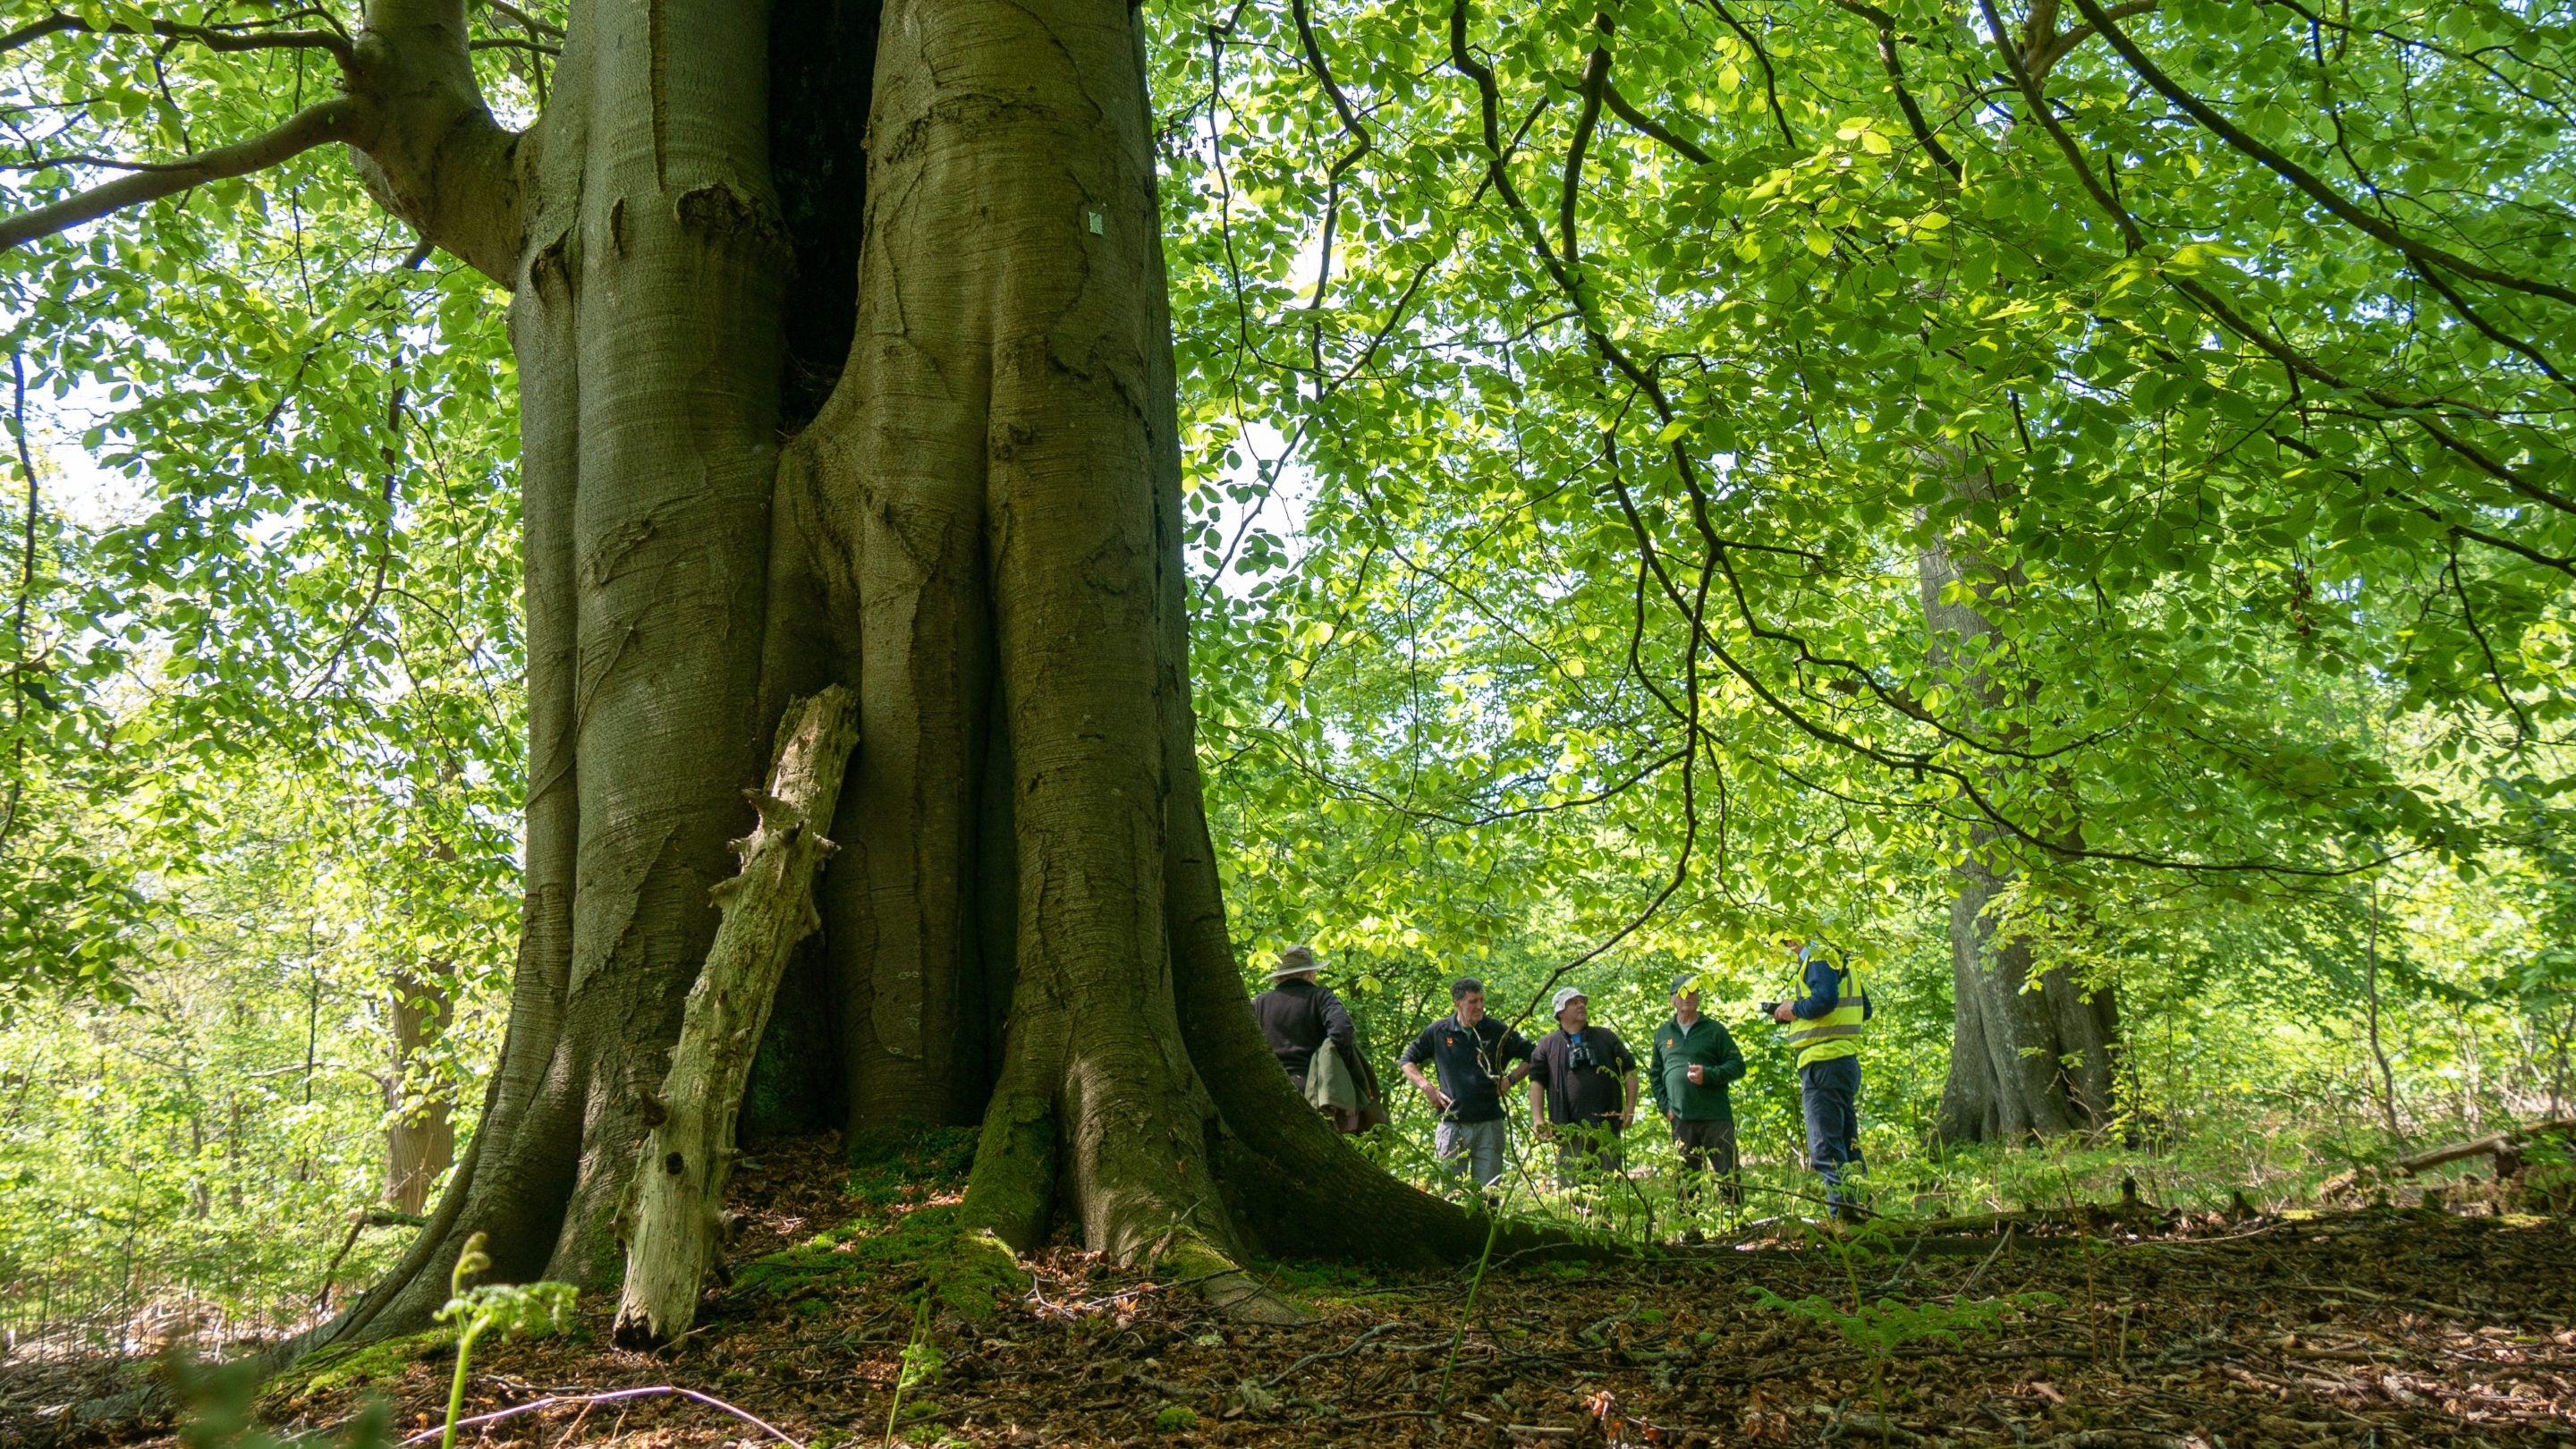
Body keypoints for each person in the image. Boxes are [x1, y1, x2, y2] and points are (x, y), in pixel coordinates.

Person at [1769, 934, 1871, 1217]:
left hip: (1823, 1064)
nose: (1790, 949)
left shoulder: (1818, 957)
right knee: (1848, 1146)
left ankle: (1844, 1220)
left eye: (1788, 943)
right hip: (1843, 1063)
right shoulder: (1842, 962)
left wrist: (1794, 1009)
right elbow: (1867, 1009)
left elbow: (1824, 1000)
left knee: (1826, 1148)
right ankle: (1864, 1215)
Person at [1399, 978, 1534, 1190]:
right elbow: (1406, 1061)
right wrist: (1428, 1088)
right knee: (1452, 1196)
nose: (1480, 1006)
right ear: (1457, 1003)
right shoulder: (1439, 1031)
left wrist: (1510, 1079)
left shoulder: (1496, 1030)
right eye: (1473, 1001)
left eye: (1481, 1000)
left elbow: (1533, 1055)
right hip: (1452, 1124)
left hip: (1489, 1124)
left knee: (1488, 1194)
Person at [1649, 972, 1745, 1208]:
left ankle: (1736, 1222)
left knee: (1727, 1172)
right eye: (1682, 992)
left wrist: (1709, 1075)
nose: (1687, 997)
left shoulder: (1714, 1030)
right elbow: (1655, 1074)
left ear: (1699, 996)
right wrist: (1666, 1109)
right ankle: (1689, 1231)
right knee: (1686, 1177)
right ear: (1672, 999)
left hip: (1716, 1116)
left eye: (1692, 991)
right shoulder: (1663, 1033)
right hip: (1681, 1118)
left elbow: (1737, 1066)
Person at [1527, 987, 1638, 1190]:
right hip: (1569, 1133)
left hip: (1607, 1129)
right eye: (1574, 1002)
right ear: (1560, 1012)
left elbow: (1630, 1071)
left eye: (1582, 1001)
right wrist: (1538, 1119)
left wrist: (1629, 1109)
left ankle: (1607, 1223)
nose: (1581, 1006)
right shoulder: (1547, 1045)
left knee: (1609, 1190)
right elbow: (1537, 1082)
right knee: (1573, 1191)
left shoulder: (1606, 1037)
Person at [1250, 945, 1362, 1128]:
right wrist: (1338, 1067)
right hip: (1313, 1094)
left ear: (1278, 977)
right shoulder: (1321, 997)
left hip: (1265, 1093)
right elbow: (1342, 1031)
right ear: (1311, 974)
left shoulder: (1259, 1004)